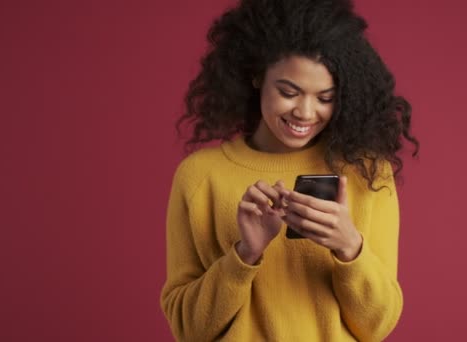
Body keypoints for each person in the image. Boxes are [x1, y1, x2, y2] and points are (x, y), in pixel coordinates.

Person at [159, 0, 419, 340]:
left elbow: (377, 326)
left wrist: (349, 246)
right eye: (288, 92)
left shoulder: (366, 173)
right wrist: (244, 255)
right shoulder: (200, 176)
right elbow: (188, 329)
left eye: (325, 98)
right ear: (256, 77)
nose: (305, 112)